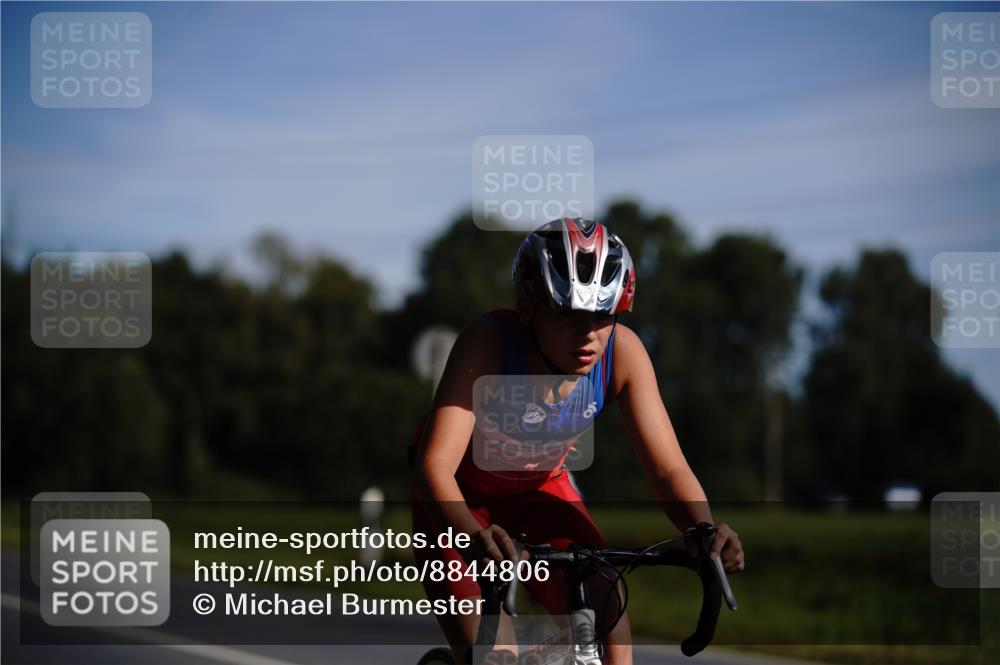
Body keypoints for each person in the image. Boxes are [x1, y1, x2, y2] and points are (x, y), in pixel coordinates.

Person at [411, 217, 744, 665]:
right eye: (568, 313)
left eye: (603, 315)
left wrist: (703, 531)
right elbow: (434, 468)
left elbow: (668, 469)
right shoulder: (488, 344)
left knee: (609, 617)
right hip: (460, 505)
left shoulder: (623, 354)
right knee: (495, 652)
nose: (588, 333)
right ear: (528, 308)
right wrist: (472, 537)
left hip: (541, 493)